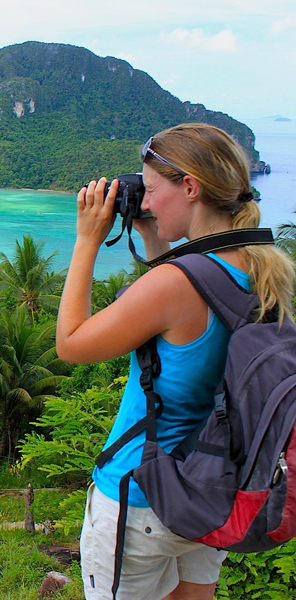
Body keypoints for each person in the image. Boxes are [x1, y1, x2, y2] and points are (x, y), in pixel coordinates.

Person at [55, 123, 295, 600]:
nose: (143, 202)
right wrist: (153, 237)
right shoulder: (260, 267)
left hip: (141, 494)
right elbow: (192, 326)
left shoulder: (173, 285)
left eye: (152, 190)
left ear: (190, 187)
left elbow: (72, 344)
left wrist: (86, 240)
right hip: (208, 489)